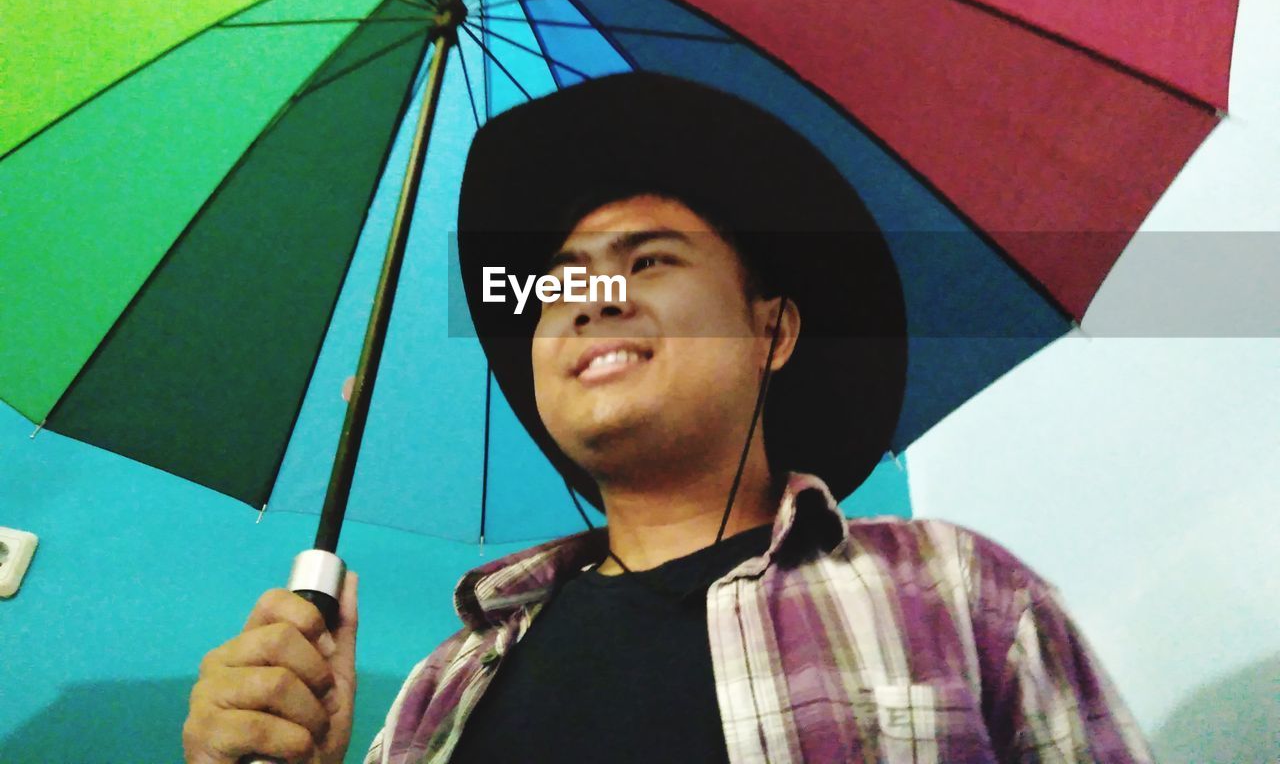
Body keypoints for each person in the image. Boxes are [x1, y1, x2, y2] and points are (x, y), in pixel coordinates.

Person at [184, 73, 1155, 763]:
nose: (587, 298)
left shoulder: (955, 595)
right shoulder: (442, 687)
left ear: (771, 328)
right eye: (556, 281)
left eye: (646, 261)